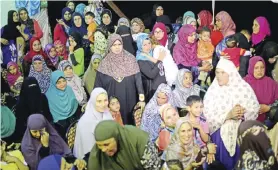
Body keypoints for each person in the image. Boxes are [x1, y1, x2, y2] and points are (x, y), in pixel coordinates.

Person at [203, 58, 260, 170]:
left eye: (223, 72)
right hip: (219, 133)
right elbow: (207, 115)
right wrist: (228, 115)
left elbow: (254, 108)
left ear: (230, 73)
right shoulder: (213, 91)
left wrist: (242, 113)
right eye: (217, 72)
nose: (219, 76)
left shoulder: (243, 88)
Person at [94, 34, 144, 124]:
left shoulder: (131, 60)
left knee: (130, 125)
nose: (117, 47)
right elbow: (98, 87)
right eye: (114, 45)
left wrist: (141, 99)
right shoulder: (104, 64)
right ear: (110, 46)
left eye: (119, 44)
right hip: (112, 104)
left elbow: (138, 81)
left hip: (130, 101)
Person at [88, 120, 161, 170]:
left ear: (117, 137)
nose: (103, 149)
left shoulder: (139, 141)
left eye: (106, 144)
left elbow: (154, 167)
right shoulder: (97, 154)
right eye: (99, 145)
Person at [74, 88, 113, 160]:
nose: (103, 104)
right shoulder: (85, 123)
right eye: (99, 101)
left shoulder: (106, 113)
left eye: (105, 100)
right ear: (93, 102)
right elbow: (90, 151)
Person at [15, 77, 52, 142]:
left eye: (34, 87)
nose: (32, 91)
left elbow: (48, 115)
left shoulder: (42, 98)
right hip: (28, 132)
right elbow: (20, 123)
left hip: (44, 128)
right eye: (30, 88)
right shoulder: (20, 103)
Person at [244, 56, 278, 124]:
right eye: (256, 68)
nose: (259, 70)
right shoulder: (244, 83)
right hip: (247, 121)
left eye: (262, 67)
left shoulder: (271, 83)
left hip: (268, 120)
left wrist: (269, 108)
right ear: (251, 68)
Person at [45, 71, 79, 137]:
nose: (62, 84)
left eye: (64, 81)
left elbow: (74, 104)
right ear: (53, 83)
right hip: (59, 125)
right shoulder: (49, 95)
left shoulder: (69, 89)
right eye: (58, 82)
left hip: (72, 120)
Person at [136, 33, 167, 102]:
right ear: (140, 46)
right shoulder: (140, 60)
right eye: (144, 45)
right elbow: (151, 74)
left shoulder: (153, 54)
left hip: (162, 88)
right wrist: (160, 60)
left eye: (149, 43)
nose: (148, 46)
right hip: (153, 91)